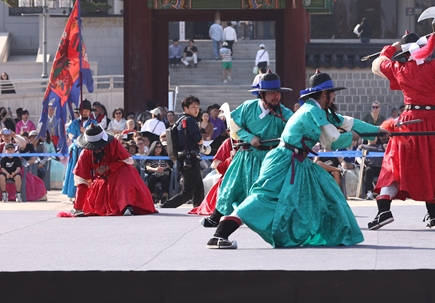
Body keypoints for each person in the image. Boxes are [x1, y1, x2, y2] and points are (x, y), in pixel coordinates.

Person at [206, 71, 382, 249]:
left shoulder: (315, 110)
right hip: (283, 161)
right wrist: (351, 136)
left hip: (296, 161)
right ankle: (219, 234)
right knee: (262, 199)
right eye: (333, 92)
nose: (335, 97)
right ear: (324, 94)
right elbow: (331, 140)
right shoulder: (311, 111)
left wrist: (378, 130)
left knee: (327, 192)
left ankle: (338, 233)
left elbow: (347, 122)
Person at [368, 24, 435, 231]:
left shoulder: (400, 68)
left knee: (395, 164)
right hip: (434, 122)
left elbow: (378, 64)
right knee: (432, 165)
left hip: (409, 121)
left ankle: (384, 210)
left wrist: (392, 47)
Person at [200, 72, 294, 228]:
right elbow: (234, 126)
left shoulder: (285, 113)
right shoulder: (247, 107)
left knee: (269, 191)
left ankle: (276, 221)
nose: (276, 96)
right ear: (261, 94)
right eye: (271, 93)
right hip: (247, 155)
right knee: (230, 187)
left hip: (271, 159)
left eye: (278, 92)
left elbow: (293, 132)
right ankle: (216, 217)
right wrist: (250, 138)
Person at [70, 125, 156, 217]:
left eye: (99, 146)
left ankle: (127, 205)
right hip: (101, 182)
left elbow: (128, 161)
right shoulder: (85, 154)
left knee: (125, 171)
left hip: (118, 177)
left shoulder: (114, 143)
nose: (97, 149)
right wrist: (78, 208)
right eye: (94, 147)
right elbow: (82, 179)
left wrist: (108, 167)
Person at [161, 96, 204, 208]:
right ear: (185, 108)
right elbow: (198, 139)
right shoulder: (189, 120)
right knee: (188, 192)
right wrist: (202, 142)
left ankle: (198, 208)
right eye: (193, 107)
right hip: (189, 159)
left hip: (185, 158)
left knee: (199, 188)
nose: (196, 109)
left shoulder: (180, 120)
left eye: (197, 107)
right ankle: (167, 206)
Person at [63, 100, 97, 200]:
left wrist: (86, 131)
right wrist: (78, 141)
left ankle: (90, 193)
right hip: (77, 150)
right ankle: (73, 194)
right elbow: (71, 136)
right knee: (75, 171)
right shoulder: (75, 123)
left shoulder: (94, 123)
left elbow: (96, 135)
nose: (85, 112)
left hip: (89, 150)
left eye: (87, 111)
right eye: (83, 110)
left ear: (89, 112)